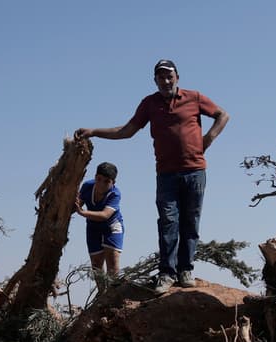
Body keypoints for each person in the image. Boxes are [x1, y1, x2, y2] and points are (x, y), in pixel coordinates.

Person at [75, 59, 230, 292]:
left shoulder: (194, 97)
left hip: (195, 171)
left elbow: (222, 115)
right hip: (166, 174)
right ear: (155, 80)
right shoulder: (150, 103)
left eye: (169, 76)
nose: (166, 81)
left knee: (190, 221)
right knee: (168, 221)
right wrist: (94, 132)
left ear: (177, 77)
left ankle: (185, 269)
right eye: (161, 77)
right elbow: (126, 131)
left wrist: (206, 140)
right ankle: (167, 273)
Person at [74, 161, 124, 287]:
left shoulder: (114, 194)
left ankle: (113, 294)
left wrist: (82, 212)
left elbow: (105, 215)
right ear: (95, 177)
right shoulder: (87, 186)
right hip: (92, 227)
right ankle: (102, 294)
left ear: (113, 183)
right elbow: (76, 203)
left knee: (112, 262)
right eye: (99, 179)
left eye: (106, 181)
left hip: (111, 227)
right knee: (96, 265)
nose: (101, 184)